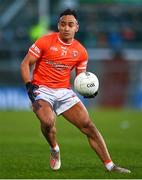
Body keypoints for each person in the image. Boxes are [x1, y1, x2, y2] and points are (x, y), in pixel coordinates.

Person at [20, 9, 131, 173]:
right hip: (42, 89)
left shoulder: (80, 51)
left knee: (89, 126)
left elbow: (81, 79)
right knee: (48, 122)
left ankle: (110, 165)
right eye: (63, 24)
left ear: (76, 27)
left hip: (64, 92)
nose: (66, 28)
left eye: (70, 25)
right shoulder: (44, 41)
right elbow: (25, 63)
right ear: (58, 25)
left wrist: (89, 91)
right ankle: (54, 148)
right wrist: (29, 85)